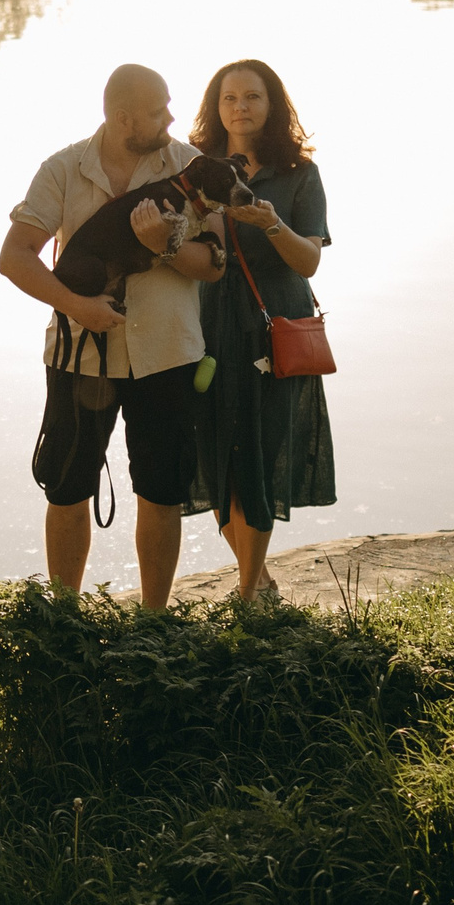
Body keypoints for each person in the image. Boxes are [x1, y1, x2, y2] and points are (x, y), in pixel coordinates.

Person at [0, 63, 226, 607]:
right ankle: (64, 617)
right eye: (158, 111)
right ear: (124, 118)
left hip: (167, 354)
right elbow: (13, 257)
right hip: (80, 355)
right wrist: (77, 305)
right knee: (68, 485)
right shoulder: (62, 168)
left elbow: (215, 265)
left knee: (161, 490)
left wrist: (166, 245)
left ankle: (153, 623)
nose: (171, 118)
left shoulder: (192, 167)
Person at [185, 59, 334, 599]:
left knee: (259, 458)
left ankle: (247, 594)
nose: (240, 108)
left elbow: (309, 261)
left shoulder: (298, 173)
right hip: (205, 327)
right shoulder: (193, 166)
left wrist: (271, 223)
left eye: (252, 97)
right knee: (214, 457)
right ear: (215, 106)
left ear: (271, 105)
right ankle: (260, 581)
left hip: (273, 327)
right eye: (229, 98)